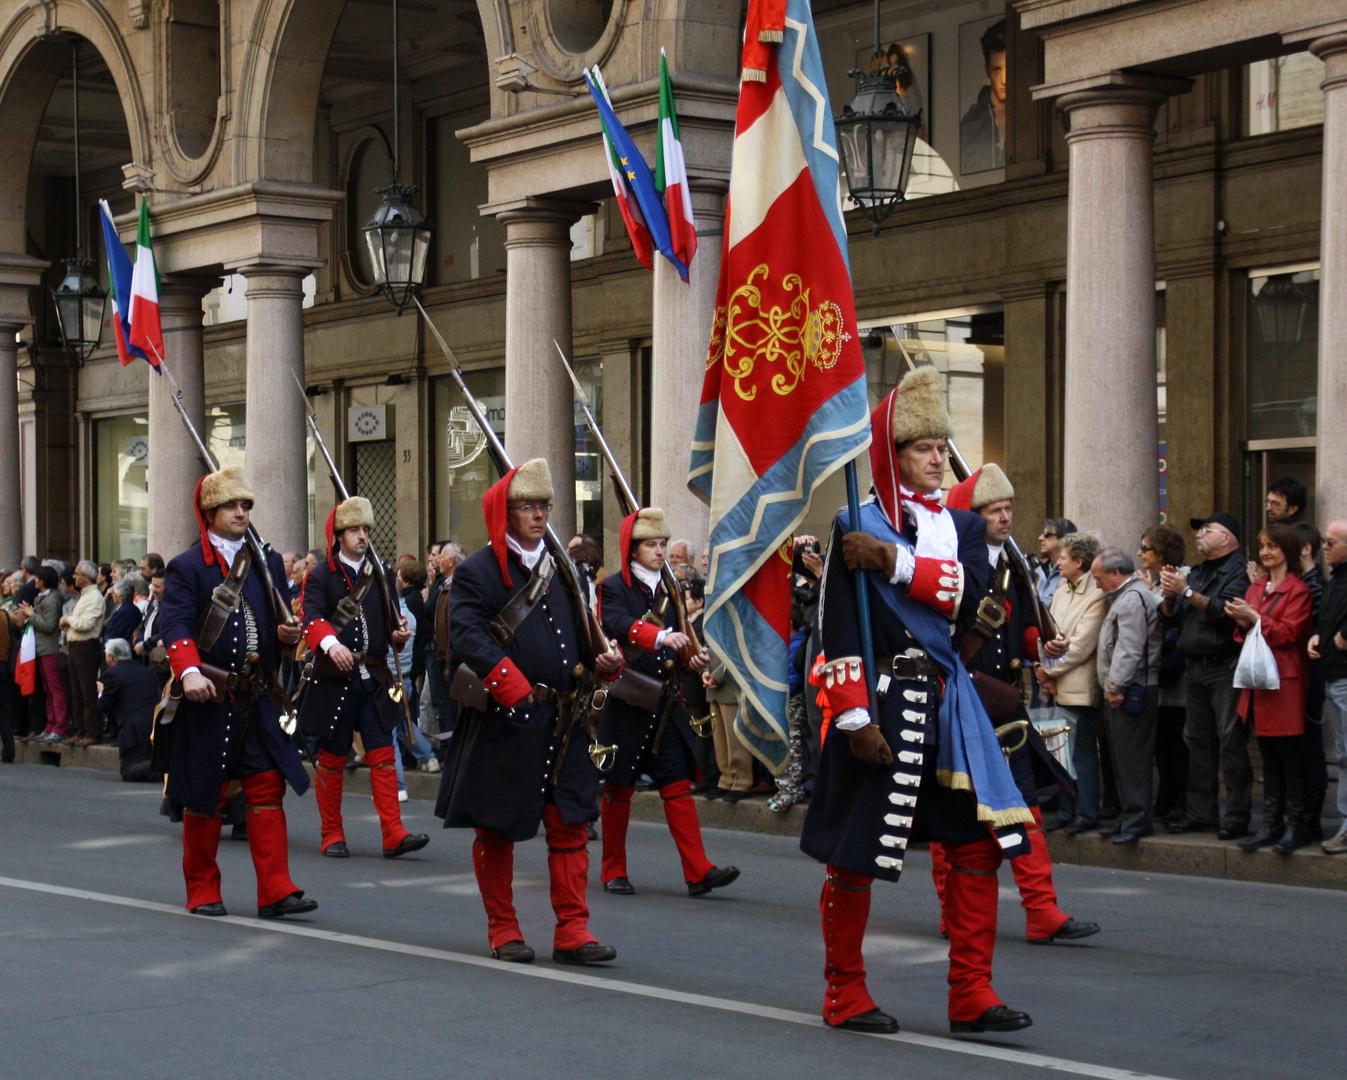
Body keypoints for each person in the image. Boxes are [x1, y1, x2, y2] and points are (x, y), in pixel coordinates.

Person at [801, 366, 1036, 1036]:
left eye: (941, 446)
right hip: (879, 703)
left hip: (947, 706)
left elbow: (969, 598)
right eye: (923, 447)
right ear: (892, 454)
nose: (938, 458)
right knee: (854, 855)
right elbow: (837, 629)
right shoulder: (855, 520)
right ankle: (844, 993)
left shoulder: (961, 527)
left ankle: (971, 995)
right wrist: (851, 717)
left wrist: (893, 561)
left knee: (973, 848)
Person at [435, 457, 622, 966]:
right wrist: (510, 685)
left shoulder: (563, 568)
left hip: (563, 721)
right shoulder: (476, 571)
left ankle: (573, 930)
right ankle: (504, 927)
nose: (538, 515)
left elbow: (582, 633)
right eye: (527, 507)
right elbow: (468, 633)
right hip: (507, 717)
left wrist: (602, 659)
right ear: (505, 511)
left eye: (544, 506)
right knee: (497, 827)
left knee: (571, 825)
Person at [940, 465, 1099, 943]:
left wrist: (1040, 647)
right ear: (973, 517)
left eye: (1008, 508)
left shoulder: (1015, 567)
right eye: (994, 510)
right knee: (959, 816)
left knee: (1026, 807)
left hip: (1006, 704)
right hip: (961, 705)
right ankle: (952, 911)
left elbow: (1024, 626)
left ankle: (1042, 910)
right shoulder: (950, 565)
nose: (1005, 517)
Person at [159, 464, 314, 918]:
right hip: (210, 696)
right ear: (209, 511)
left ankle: (277, 890)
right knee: (204, 794)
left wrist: (286, 637)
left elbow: (274, 624)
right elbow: (175, 624)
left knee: (267, 787)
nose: (241, 512)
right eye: (231, 505)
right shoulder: (187, 566)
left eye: (246, 505)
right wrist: (188, 671)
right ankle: (203, 889)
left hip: (256, 695)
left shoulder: (263, 559)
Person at [596, 508, 736, 898]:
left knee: (677, 787)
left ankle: (698, 871)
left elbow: (681, 647)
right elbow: (617, 624)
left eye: (662, 544)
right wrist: (660, 637)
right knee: (619, 788)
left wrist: (693, 661)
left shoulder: (671, 588)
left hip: (666, 703)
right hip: (628, 701)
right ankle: (613, 869)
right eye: (651, 545)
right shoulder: (612, 587)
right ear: (633, 549)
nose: (659, 552)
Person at [297, 496, 429, 860]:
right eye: (355, 529)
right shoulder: (321, 575)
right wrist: (328, 642)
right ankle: (331, 833)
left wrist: (396, 632)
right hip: (334, 677)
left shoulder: (382, 571)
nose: (362, 536)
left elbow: (388, 617)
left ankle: (393, 833)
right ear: (340, 534)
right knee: (333, 756)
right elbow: (310, 617)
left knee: (383, 753)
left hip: (372, 675)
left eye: (366, 529)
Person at [1159, 513, 1253, 838]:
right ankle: (1201, 813)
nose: (1199, 535)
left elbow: (1228, 614)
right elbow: (1173, 621)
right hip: (1194, 665)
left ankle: (1237, 816)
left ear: (1228, 537)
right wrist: (1170, 597)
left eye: (1207, 530)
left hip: (1224, 665)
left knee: (1231, 740)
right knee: (1196, 740)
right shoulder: (1198, 572)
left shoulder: (1239, 571)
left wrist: (1185, 592)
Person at [1226, 524, 1314, 853]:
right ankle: (1270, 823)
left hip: (1285, 682)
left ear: (1287, 552)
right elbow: (1246, 634)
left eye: (1273, 546)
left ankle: (1296, 826)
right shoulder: (1257, 587)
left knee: (1290, 758)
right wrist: (1243, 620)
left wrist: (1255, 618)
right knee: (1268, 759)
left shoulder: (1298, 590)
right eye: (1262, 546)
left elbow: (1290, 634)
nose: (1265, 552)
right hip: (1258, 683)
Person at [1037, 532, 1105, 832]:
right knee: (1058, 750)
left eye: (1064, 557)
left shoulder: (1097, 594)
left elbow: (1081, 645)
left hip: (1077, 684)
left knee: (1082, 752)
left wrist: (1049, 672)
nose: (1059, 562)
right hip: (1053, 683)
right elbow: (1046, 631)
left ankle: (1087, 812)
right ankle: (1066, 810)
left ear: (1079, 561)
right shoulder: (1063, 589)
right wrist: (1042, 665)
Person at [1093, 550, 1162, 843]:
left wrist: (1115, 687)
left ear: (1116, 574)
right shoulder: (1128, 595)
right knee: (1124, 758)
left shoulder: (1132, 599)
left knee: (1132, 759)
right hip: (1131, 686)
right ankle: (1129, 818)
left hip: (1133, 688)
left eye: (1099, 578)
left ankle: (1136, 820)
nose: (1097, 584)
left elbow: (1129, 650)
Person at [1137, 523, 1190, 827]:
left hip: (1178, 676)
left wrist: (1153, 595)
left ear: (1162, 553)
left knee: (1179, 745)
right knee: (1163, 746)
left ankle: (1180, 802)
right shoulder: (1155, 581)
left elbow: (1173, 620)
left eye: (1145, 548)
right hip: (1160, 674)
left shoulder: (1184, 578)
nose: (1140, 553)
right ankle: (1167, 796)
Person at [1310, 519, 1347, 852]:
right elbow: (1330, 615)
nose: (1325, 547)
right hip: (1335, 671)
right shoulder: (1336, 578)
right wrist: (1320, 635)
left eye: (1331, 542)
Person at [20, 566, 69, 743]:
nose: (35, 581)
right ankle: (51, 724)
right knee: (48, 690)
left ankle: (60, 726)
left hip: (50, 649)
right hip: (41, 649)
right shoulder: (41, 597)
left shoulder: (52, 599)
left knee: (56, 690)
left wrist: (31, 614)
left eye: (38, 578)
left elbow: (49, 626)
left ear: (44, 580)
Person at [98, 638, 157, 782]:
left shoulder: (112, 674)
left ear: (111, 657)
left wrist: (101, 692)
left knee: (128, 771)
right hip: (153, 726)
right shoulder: (145, 670)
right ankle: (159, 767)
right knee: (142, 762)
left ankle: (164, 768)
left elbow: (104, 706)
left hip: (133, 730)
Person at [62, 560, 105, 746]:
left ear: (86, 578)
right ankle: (80, 730)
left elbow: (86, 624)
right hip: (75, 647)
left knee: (88, 692)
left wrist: (68, 619)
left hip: (86, 647)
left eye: (77, 574)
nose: (73, 577)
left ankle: (93, 731)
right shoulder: (84, 596)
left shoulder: (94, 597)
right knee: (77, 693)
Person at [703, 644, 753, 801]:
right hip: (712, 683)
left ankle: (742, 781)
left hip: (731, 684)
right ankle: (726, 779)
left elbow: (742, 650)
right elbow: (706, 647)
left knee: (735, 740)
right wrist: (704, 671)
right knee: (719, 739)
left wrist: (717, 675)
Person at [959, 19, 1006, 173]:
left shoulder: (1031, 116)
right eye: (996, 70)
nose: (1004, 80)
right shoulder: (971, 122)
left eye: (1009, 68)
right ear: (987, 71)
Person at [1036, 517, 1076, 609]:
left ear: (1063, 539)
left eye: (1047, 534)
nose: (1040, 538)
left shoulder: (1071, 573)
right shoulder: (1042, 569)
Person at [104, 578, 142, 648]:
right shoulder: (135, 609)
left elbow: (112, 635)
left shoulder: (122, 613)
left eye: (114, 593)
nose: (112, 595)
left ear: (121, 596)